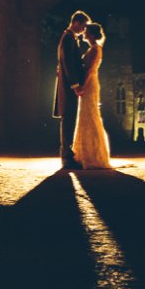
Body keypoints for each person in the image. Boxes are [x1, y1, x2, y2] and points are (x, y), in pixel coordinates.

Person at [71, 22, 114, 170]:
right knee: (86, 116)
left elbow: (90, 70)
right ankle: (85, 153)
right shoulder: (92, 48)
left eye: (86, 31)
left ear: (92, 34)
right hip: (89, 83)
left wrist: (82, 86)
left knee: (90, 115)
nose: (84, 32)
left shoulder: (96, 49)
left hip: (90, 84)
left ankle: (93, 155)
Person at [53, 11, 91, 170]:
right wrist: (75, 85)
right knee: (68, 120)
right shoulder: (68, 37)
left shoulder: (69, 37)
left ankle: (67, 156)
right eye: (83, 26)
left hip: (67, 86)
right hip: (68, 87)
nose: (84, 30)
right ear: (76, 22)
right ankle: (66, 158)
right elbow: (68, 62)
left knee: (69, 120)